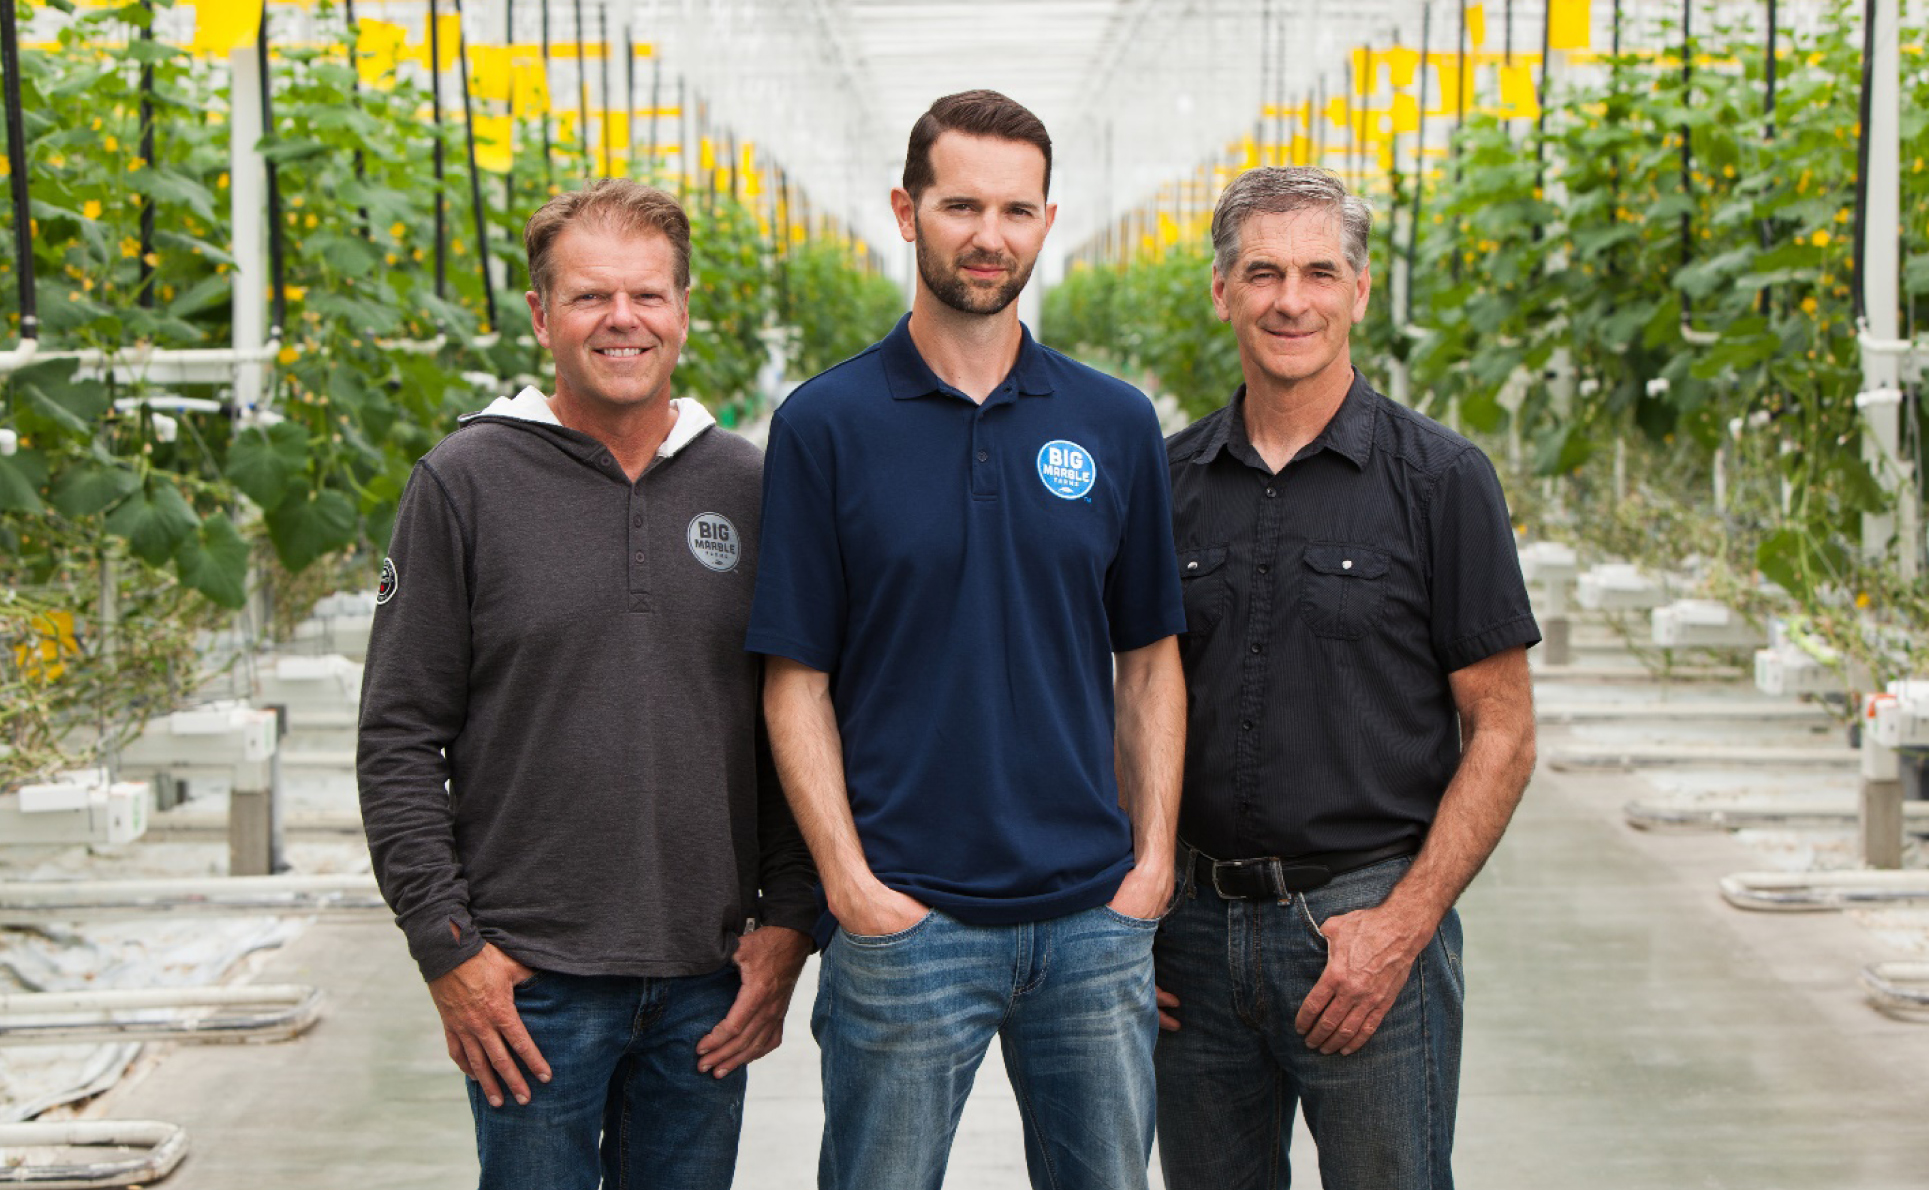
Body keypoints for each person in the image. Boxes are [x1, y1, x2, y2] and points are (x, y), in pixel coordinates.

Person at [748, 89, 1187, 1190]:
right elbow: (794, 680)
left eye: (1016, 210)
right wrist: (852, 888)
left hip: (1091, 918)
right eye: (959, 206)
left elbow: (1149, 661)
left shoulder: (1114, 422)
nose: (989, 237)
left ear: (1048, 221)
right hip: (909, 919)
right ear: (906, 212)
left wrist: (1152, 866)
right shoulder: (826, 424)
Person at [356, 179, 816, 1190]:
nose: (623, 320)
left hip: (707, 984)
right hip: (528, 985)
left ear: (684, 312)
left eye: (648, 296)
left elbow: (791, 722)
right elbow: (398, 733)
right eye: (589, 297)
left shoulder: (749, 485)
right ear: (540, 314)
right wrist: (448, 948)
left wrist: (787, 924)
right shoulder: (464, 482)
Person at [1155, 165, 1540, 1190]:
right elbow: (1124, 705)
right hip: (1186, 939)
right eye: (1265, 272)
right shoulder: (1166, 484)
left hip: (1366, 928)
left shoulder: (1443, 483)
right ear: (1222, 290)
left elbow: (1503, 730)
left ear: (1359, 292)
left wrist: (1405, 927)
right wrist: (1128, 913)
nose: (1292, 300)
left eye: (1320, 273)